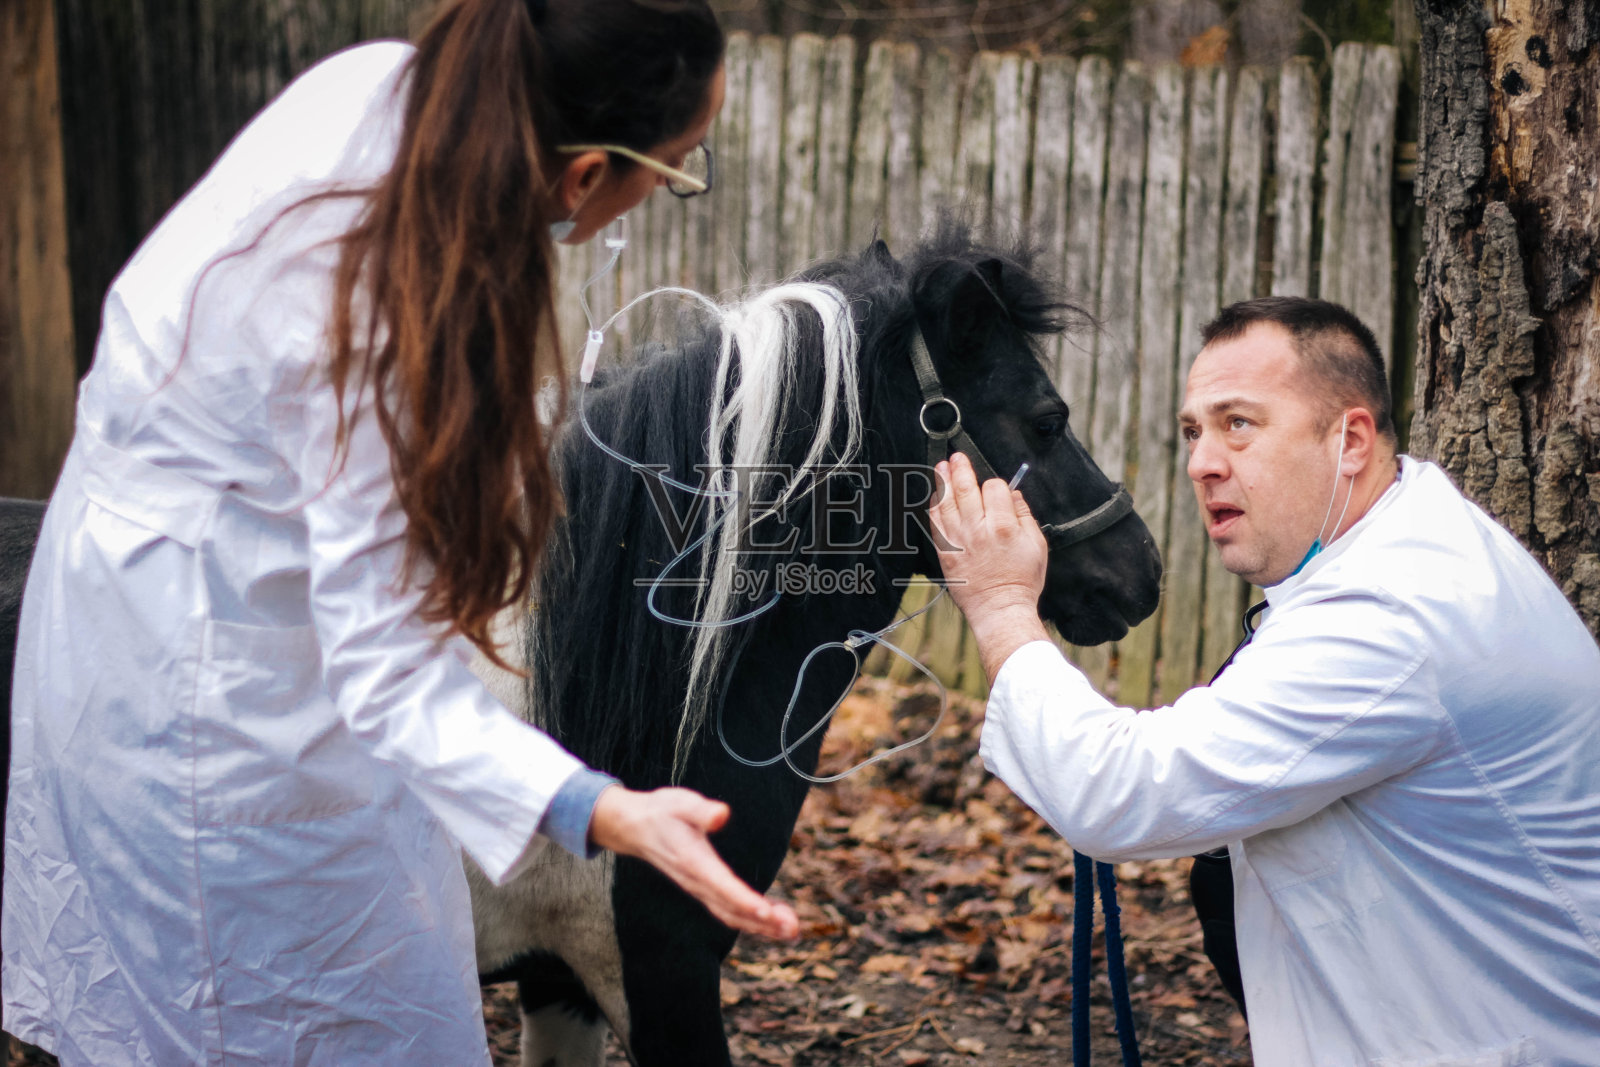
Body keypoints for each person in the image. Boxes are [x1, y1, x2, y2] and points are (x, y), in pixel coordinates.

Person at [1, 1, 799, 1063]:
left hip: (155, 588)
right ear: (581, 175)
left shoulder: (390, 89)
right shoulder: (388, 313)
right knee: (270, 1012)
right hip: (211, 687)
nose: (663, 193)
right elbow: (383, 669)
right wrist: (605, 809)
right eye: (677, 168)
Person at [930, 296, 1600, 1066]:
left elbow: (1120, 792)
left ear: (1349, 440)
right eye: (1193, 430)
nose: (1202, 461)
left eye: (1238, 423)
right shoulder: (1408, 542)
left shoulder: (1394, 613)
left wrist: (1001, 605)